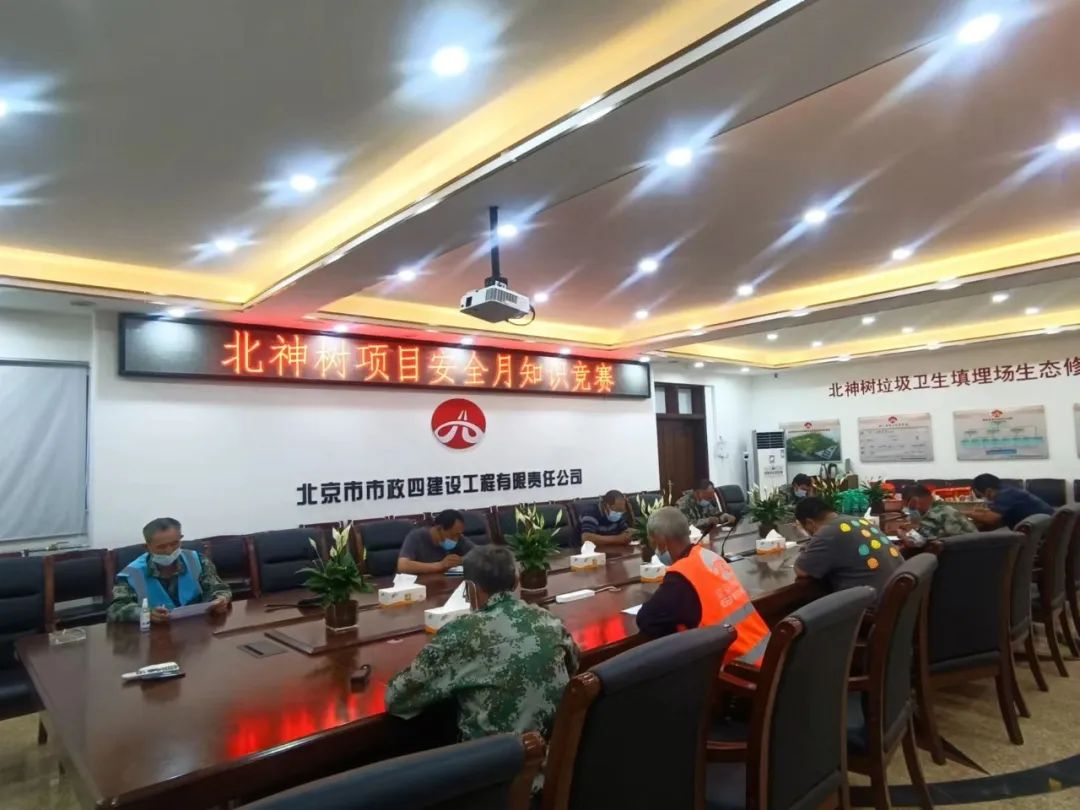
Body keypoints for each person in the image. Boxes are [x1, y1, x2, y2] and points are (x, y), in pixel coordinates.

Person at [386, 545, 579, 790]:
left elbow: (397, 698)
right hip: (557, 771)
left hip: (496, 785)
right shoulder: (549, 620)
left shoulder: (461, 634)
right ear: (516, 580)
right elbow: (574, 666)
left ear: (469, 589)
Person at [636, 507, 770, 667]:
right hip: (766, 653)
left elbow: (646, 619)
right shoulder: (710, 556)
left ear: (660, 539)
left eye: (653, 542)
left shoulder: (681, 576)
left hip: (739, 667)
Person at [107, 517, 231, 623]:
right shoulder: (131, 573)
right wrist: (146, 613)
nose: (169, 551)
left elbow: (219, 588)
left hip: (196, 626)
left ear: (180, 539)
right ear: (147, 547)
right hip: (156, 634)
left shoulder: (197, 560)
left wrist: (220, 600)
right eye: (161, 547)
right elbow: (115, 610)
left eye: (174, 544)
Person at [793, 497, 902, 595]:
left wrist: (809, 549)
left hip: (872, 604)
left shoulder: (828, 532)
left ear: (810, 523)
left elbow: (802, 571)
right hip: (897, 597)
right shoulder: (859, 520)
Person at [397, 509, 474, 574]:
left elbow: (479, 554)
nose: (456, 540)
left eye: (458, 535)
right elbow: (402, 566)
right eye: (453, 536)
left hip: (444, 583)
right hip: (418, 585)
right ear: (439, 528)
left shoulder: (458, 536)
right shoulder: (416, 537)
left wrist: (461, 560)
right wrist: (440, 565)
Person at [970, 473, 1053, 530]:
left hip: (1040, 532)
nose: (983, 498)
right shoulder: (1007, 490)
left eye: (980, 495)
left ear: (988, 491)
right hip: (1044, 526)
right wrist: (981, 511)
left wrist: (964, 513)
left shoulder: (1004, 495)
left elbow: (991, 519)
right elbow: (996, 512)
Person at [899, 484, 977, 542]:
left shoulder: (934, 515)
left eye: (908, 506)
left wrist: (902, 534)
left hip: (964, 554)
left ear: (914, 502)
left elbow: (916, 541)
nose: (909, 510)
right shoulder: (941, 508)